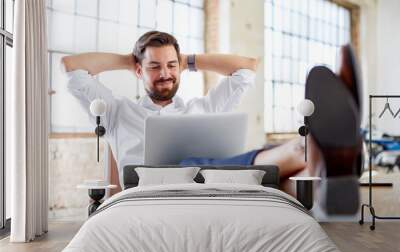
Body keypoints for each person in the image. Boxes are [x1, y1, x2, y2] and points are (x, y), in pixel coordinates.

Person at [62, 31, 361, 213]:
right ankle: (327, 152)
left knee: (289, 174)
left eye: (171, 65)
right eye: (154, 67)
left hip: (212, 178)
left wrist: (187, 59)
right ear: (139, 71)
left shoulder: (201, 107)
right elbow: (73, 68)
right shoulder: (117, 111)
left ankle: (324, 177)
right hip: (152, 185)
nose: (165, 73)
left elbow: (246, 69)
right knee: (292, 152)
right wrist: (129, 60)